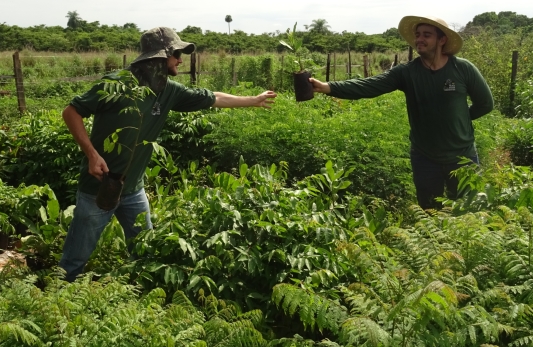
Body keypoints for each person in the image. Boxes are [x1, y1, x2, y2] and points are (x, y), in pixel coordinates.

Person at [59, 27, 276, 281]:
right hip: (96, 188)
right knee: (75, 259)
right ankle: (59, 297)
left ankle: (138, 296)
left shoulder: (169, 90)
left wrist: (253, 99)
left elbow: (213, 97)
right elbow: (71, 111)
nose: (180, 60)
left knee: (146, 251)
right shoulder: (117, 84)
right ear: (160, 57)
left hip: (133, 191)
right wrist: (92, 154)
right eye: (176, 54)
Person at [309, 16, 494, 209]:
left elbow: (485, 103)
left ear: (442, 40)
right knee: (429, 212)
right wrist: (328, 87)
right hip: (425, 157)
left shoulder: (462, 69)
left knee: (469, 212)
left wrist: (459, 121)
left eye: (427, 35)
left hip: (462, 156)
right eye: (417, 35)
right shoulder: (407, 72)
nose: (419, 39)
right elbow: (370, 86)